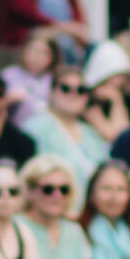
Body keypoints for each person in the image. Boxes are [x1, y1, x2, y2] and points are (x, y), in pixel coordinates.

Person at [24, 65, 109, 202]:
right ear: (52, 92)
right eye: (66, 88)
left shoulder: (91, 133)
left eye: (81, 90)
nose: (73, 94)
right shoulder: (35, 127)